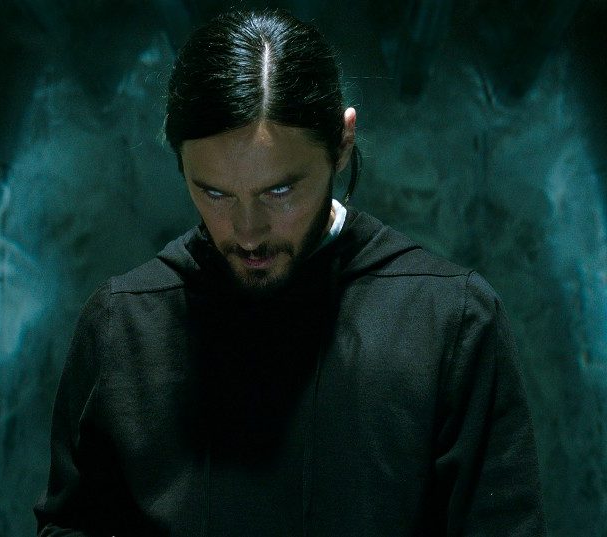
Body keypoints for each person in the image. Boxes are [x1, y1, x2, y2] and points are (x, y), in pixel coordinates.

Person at [34, 9, 546, 536]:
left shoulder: (451, 323)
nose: (248, 231)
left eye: (279, 191)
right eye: (215, 193)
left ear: (342, 143)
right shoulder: (121, 325)